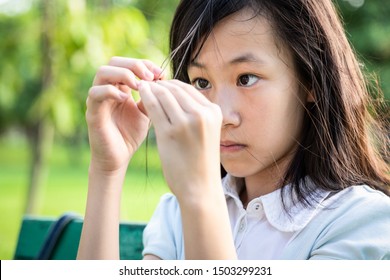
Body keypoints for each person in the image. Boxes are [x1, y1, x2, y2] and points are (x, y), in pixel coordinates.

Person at [77, 0, 390, 260]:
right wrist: (107, 170)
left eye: (246, 78)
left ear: (310, 78)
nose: (220, 115)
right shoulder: (176, 212)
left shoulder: (361, 222)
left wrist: (200, 195)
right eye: (201, 82)